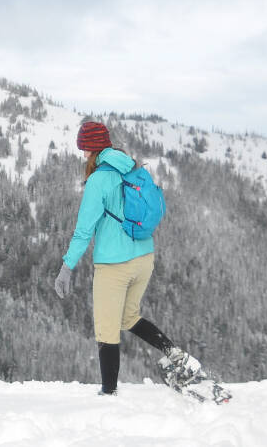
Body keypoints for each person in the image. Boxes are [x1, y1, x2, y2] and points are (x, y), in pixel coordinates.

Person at [53, 120, 188, 396]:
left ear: (91, 149)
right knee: (129, 317)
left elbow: (83, 230)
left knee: (106, 328)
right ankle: (175, 354)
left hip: (114, 265)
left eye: (84, 150)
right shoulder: (132, 166)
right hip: (144, 258)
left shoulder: (99, 179)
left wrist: (66, 267)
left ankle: (108, 393)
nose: (82, 155)